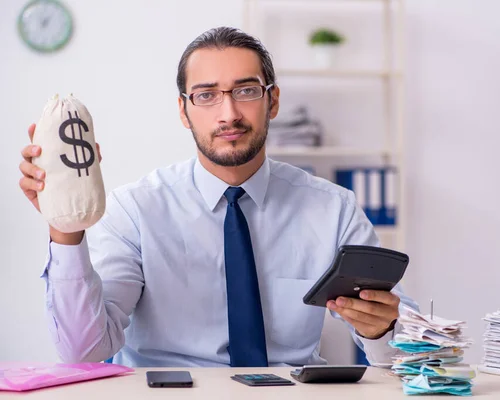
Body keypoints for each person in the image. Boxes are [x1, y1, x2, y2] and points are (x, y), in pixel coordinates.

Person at [18, 26, 418, 367]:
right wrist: (65, 230)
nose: (228, 113)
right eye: (206, 95)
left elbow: (409, 350)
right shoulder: (136, 209)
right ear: (183, 111)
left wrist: (384, 328)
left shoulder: (333, 209)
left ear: (272, 101)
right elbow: (83, 352)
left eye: (245, 90)